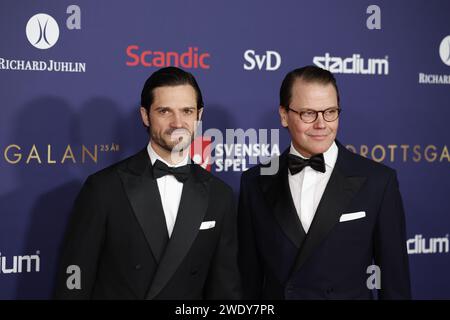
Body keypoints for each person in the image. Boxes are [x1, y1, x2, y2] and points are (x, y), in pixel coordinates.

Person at [55, 66, 241, 299]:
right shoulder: (103, 188)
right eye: (165, 111)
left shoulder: (219, 195)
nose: (177, 123)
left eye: (187, 111)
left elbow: (225, 289)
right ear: (145, 115)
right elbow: (74, 280)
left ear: (199, 116)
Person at [238, 65, 411, 299]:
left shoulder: (378, 182)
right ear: (283, 115)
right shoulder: (254, 182)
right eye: (308, 113)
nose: (321, 124)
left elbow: (394, 284)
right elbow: (249, 280)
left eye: (330, 111)